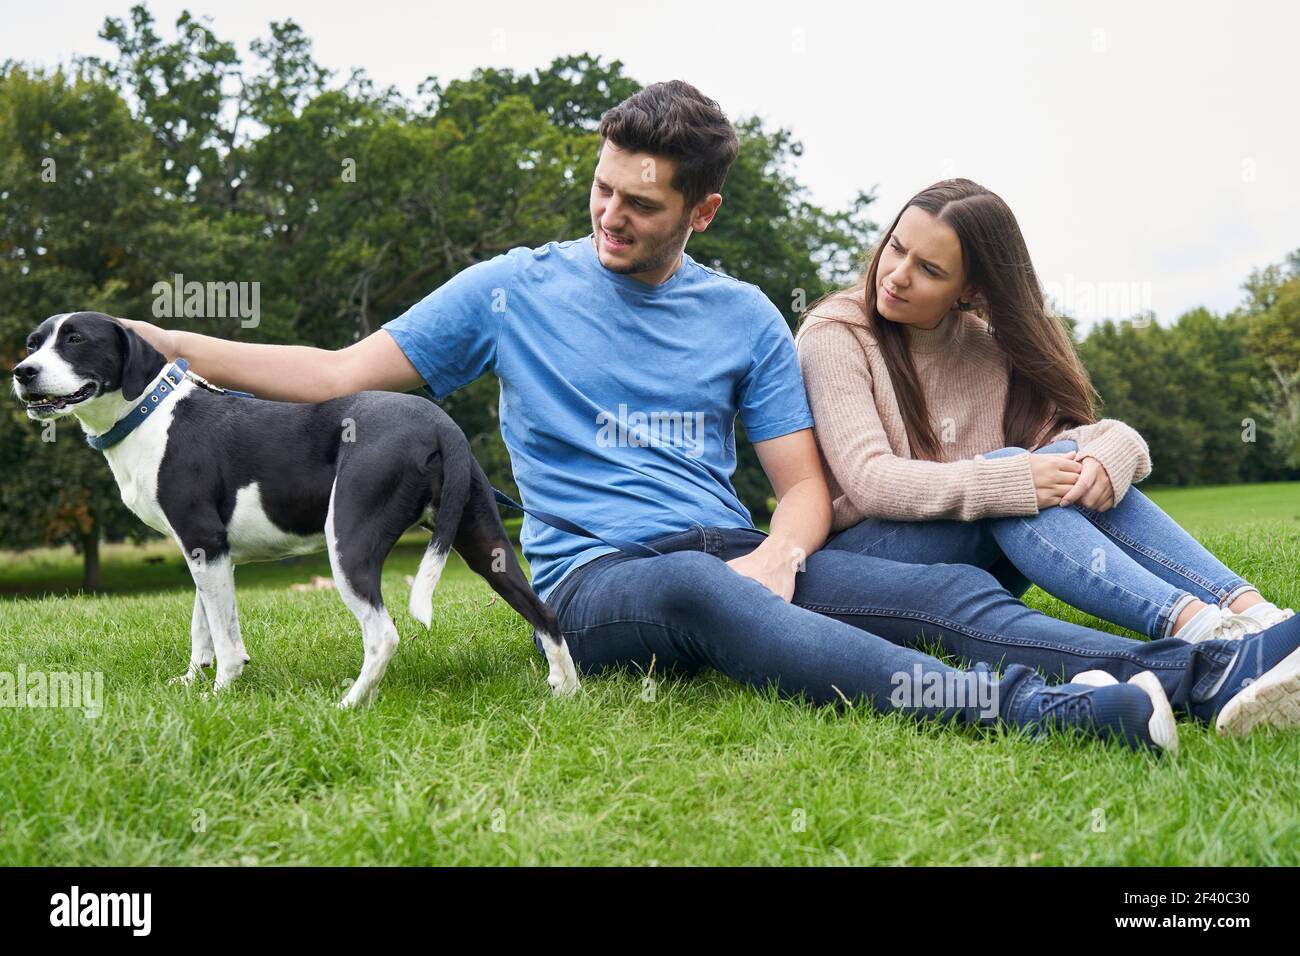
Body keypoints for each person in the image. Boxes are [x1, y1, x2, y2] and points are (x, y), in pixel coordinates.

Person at [122, 82, 1300, 752]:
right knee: (698, 591)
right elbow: (334, 373)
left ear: (704, 210)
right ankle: (1045, 715)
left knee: (945, 591)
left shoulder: (741, 316)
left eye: (641, 203)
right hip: (600, 583)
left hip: (736, 548)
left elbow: (801, 484)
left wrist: (784, 553)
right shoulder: (510, 288)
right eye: (601, 189)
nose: (610, 216)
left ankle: (1200, 669)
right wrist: (170, 342)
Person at [794, 178, 1293, 646]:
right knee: (1012, 474)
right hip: (859, 566)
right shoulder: (837, 332)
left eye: (929, 269)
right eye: (898, 249)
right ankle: (1197, 625)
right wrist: (1007, 480)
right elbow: (869, 480)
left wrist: (1109, 453)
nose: (897, 276)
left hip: (975, 560)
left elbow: (1067, 442)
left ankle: (1254, 611)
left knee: (1061, 468)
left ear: (969, 291)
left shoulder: (989, 349)